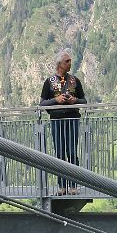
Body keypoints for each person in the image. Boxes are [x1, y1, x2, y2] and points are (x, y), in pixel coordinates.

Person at [39, 49, 87, 194]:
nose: (70, 63)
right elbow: (42, 103)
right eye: (67, 61)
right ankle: (62, 186)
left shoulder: (75, 81)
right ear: (60, 64)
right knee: (59, 153)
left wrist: (75, 100)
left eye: (70, 61)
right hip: (56, 121)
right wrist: (56, 100)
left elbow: (84, 101)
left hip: (72, 120)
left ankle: (73, 186)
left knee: (72, 152)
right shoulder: (49, 82)